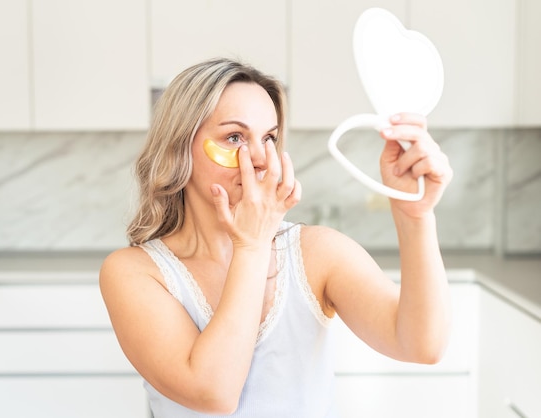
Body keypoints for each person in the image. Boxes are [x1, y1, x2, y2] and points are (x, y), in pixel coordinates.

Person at [99, 58, 454, 417]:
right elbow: (214, 394)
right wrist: (251, 244)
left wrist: (416, 216)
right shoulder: (134, 273)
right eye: (234, 137)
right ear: (180, 147)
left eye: (268, 138)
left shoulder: (317, 253)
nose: (259, 158)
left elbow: (422, 345)